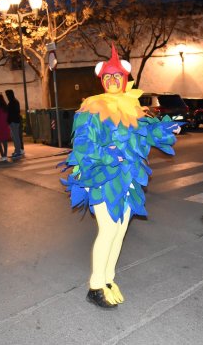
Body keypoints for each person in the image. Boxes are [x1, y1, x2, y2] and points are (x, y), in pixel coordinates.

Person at [61, 45, 181, 309]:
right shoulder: (92, 107)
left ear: (126, 79)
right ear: (101, 80)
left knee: (120, 229)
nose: (113, 81)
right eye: (108, 77)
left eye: (117, 76)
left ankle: (108, 280)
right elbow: (83, 147)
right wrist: (105, 156)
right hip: (102, 178)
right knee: (107, 229)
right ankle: (95, 286)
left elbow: (147, 134)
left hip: (128, 178)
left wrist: (166, 130)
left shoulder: (133, 107)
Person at [5, 89, 23, 158]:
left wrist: (10, 119)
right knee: (14, 136)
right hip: (14, 121)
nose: (6, 96)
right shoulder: (13, 101)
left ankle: (18, 151)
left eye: (7, 95)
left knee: (16, 137)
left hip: (14, 121)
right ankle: (17, 150)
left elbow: (13, 112)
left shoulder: (13, 102)